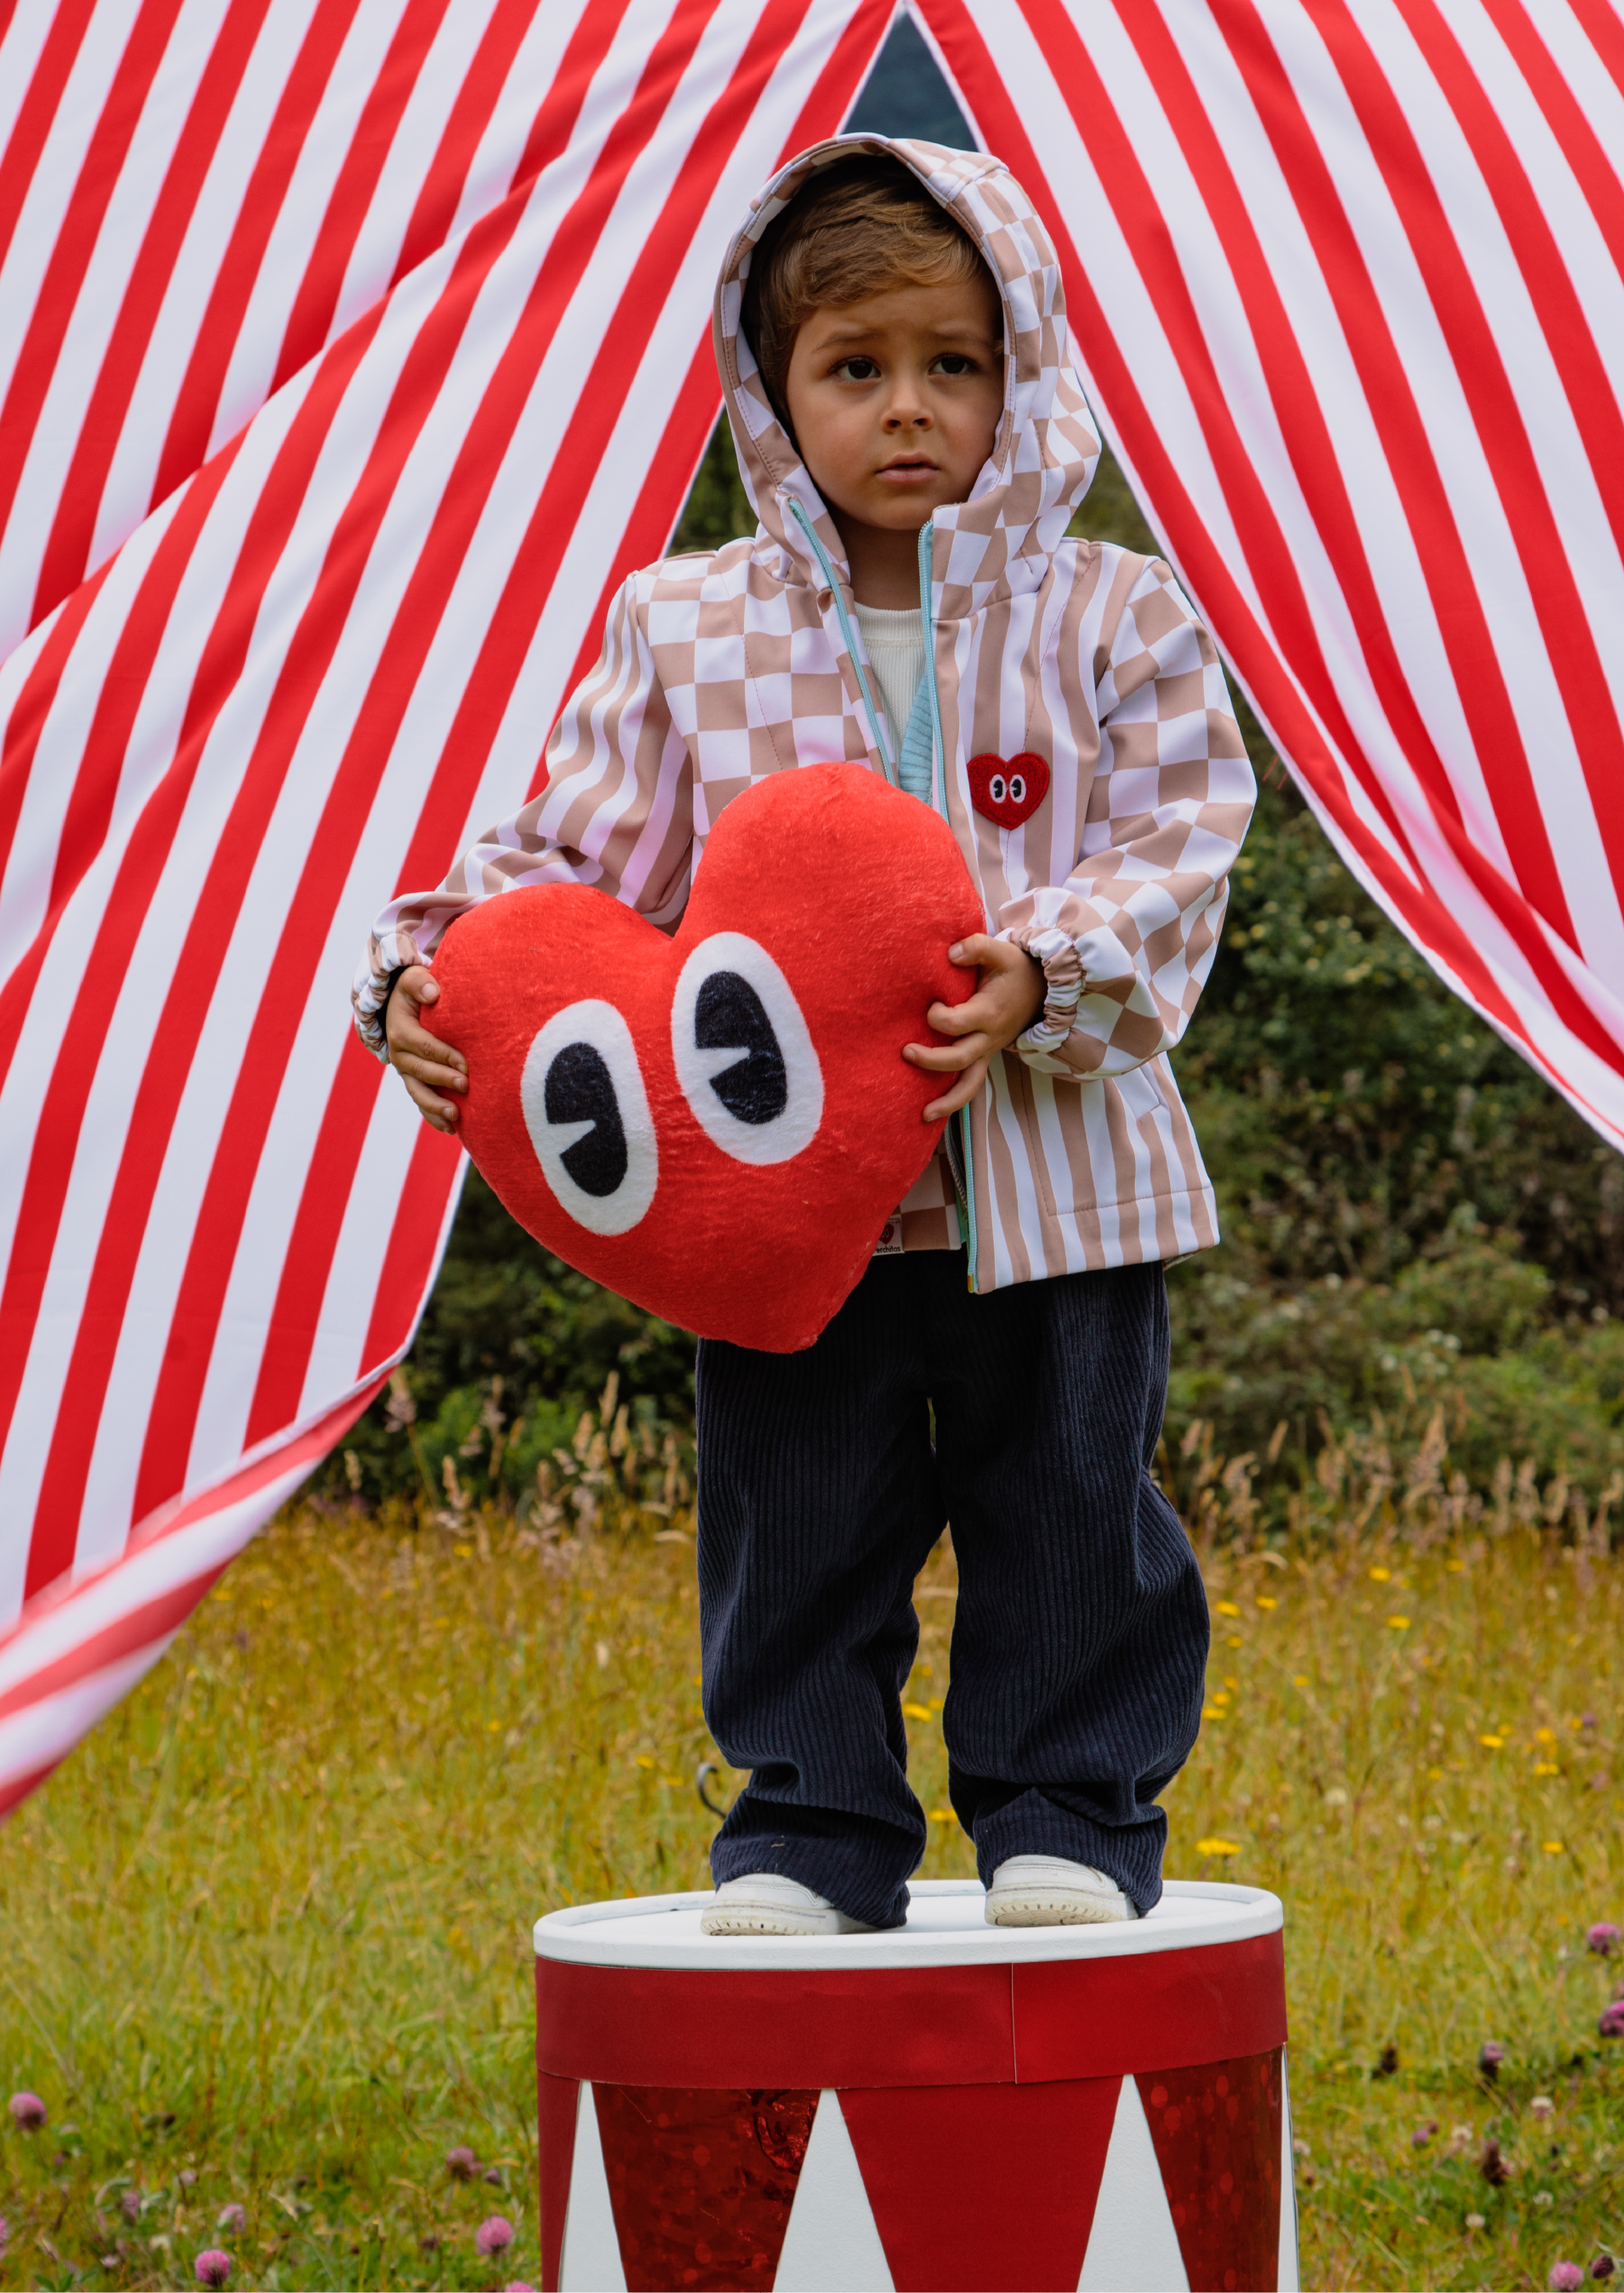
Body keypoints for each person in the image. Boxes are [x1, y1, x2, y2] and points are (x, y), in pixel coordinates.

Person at [355, 139, 1256, 1936]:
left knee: (1071, 1500)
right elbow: (569, 860)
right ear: (770, 395)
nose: (908, 410)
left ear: (1024, 371)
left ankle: (1066, 1810)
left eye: (953, 363)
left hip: (1058, 1183)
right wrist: (425, 968)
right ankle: (810, 1826)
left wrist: (1046, 967)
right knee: (796, 1509)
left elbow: (1183, 839)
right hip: (769, 1196)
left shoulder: (1116, 613)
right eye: (855, 369)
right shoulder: (684, 626)